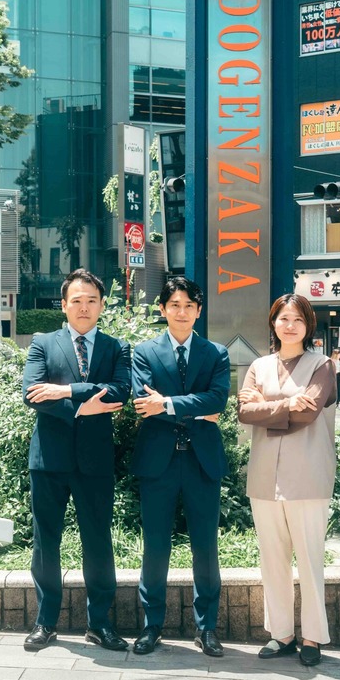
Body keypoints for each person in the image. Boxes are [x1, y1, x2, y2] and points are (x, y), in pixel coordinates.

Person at [20, 269, 131, 653]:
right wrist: (86, 407)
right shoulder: (42, 343)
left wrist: (65, 390)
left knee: (98, 541)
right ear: (64, 305)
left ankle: (99, 623)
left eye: (91, 301)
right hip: (49, 460)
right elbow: (32, 394)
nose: (84, 307)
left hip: (95, 461)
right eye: (77, 301)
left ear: (102, 305)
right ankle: (45, 622)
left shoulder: (116, 348)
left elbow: (119, 393)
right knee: (45, 542)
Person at [131, 277, 230, 657]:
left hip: (202, 461)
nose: (182, 311)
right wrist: (197, 408)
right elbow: (143, 402)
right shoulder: (144, 352)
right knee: (155, 547)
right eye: (174, 304)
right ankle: (151, 626)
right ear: (162, 309)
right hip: (158, 462)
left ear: (199, 310)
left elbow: (218, 399)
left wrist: (168, 405)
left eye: (189, 305)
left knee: (205, 548)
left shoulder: (215, 353)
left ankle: (206, 629)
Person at [238, 294, 337, 667]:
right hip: (264, 477)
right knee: (272, 559)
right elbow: (244, 412)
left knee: (310, 559)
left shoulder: (322, 365)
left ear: (308, 325)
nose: (290, 325)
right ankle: (281, 634)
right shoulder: (258, 365)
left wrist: (265, 407)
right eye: (283, 318)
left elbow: (309, 413)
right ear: (273, 323)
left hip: (309, 476)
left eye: (298, 319)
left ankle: (312, 637)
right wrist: (283, 406)